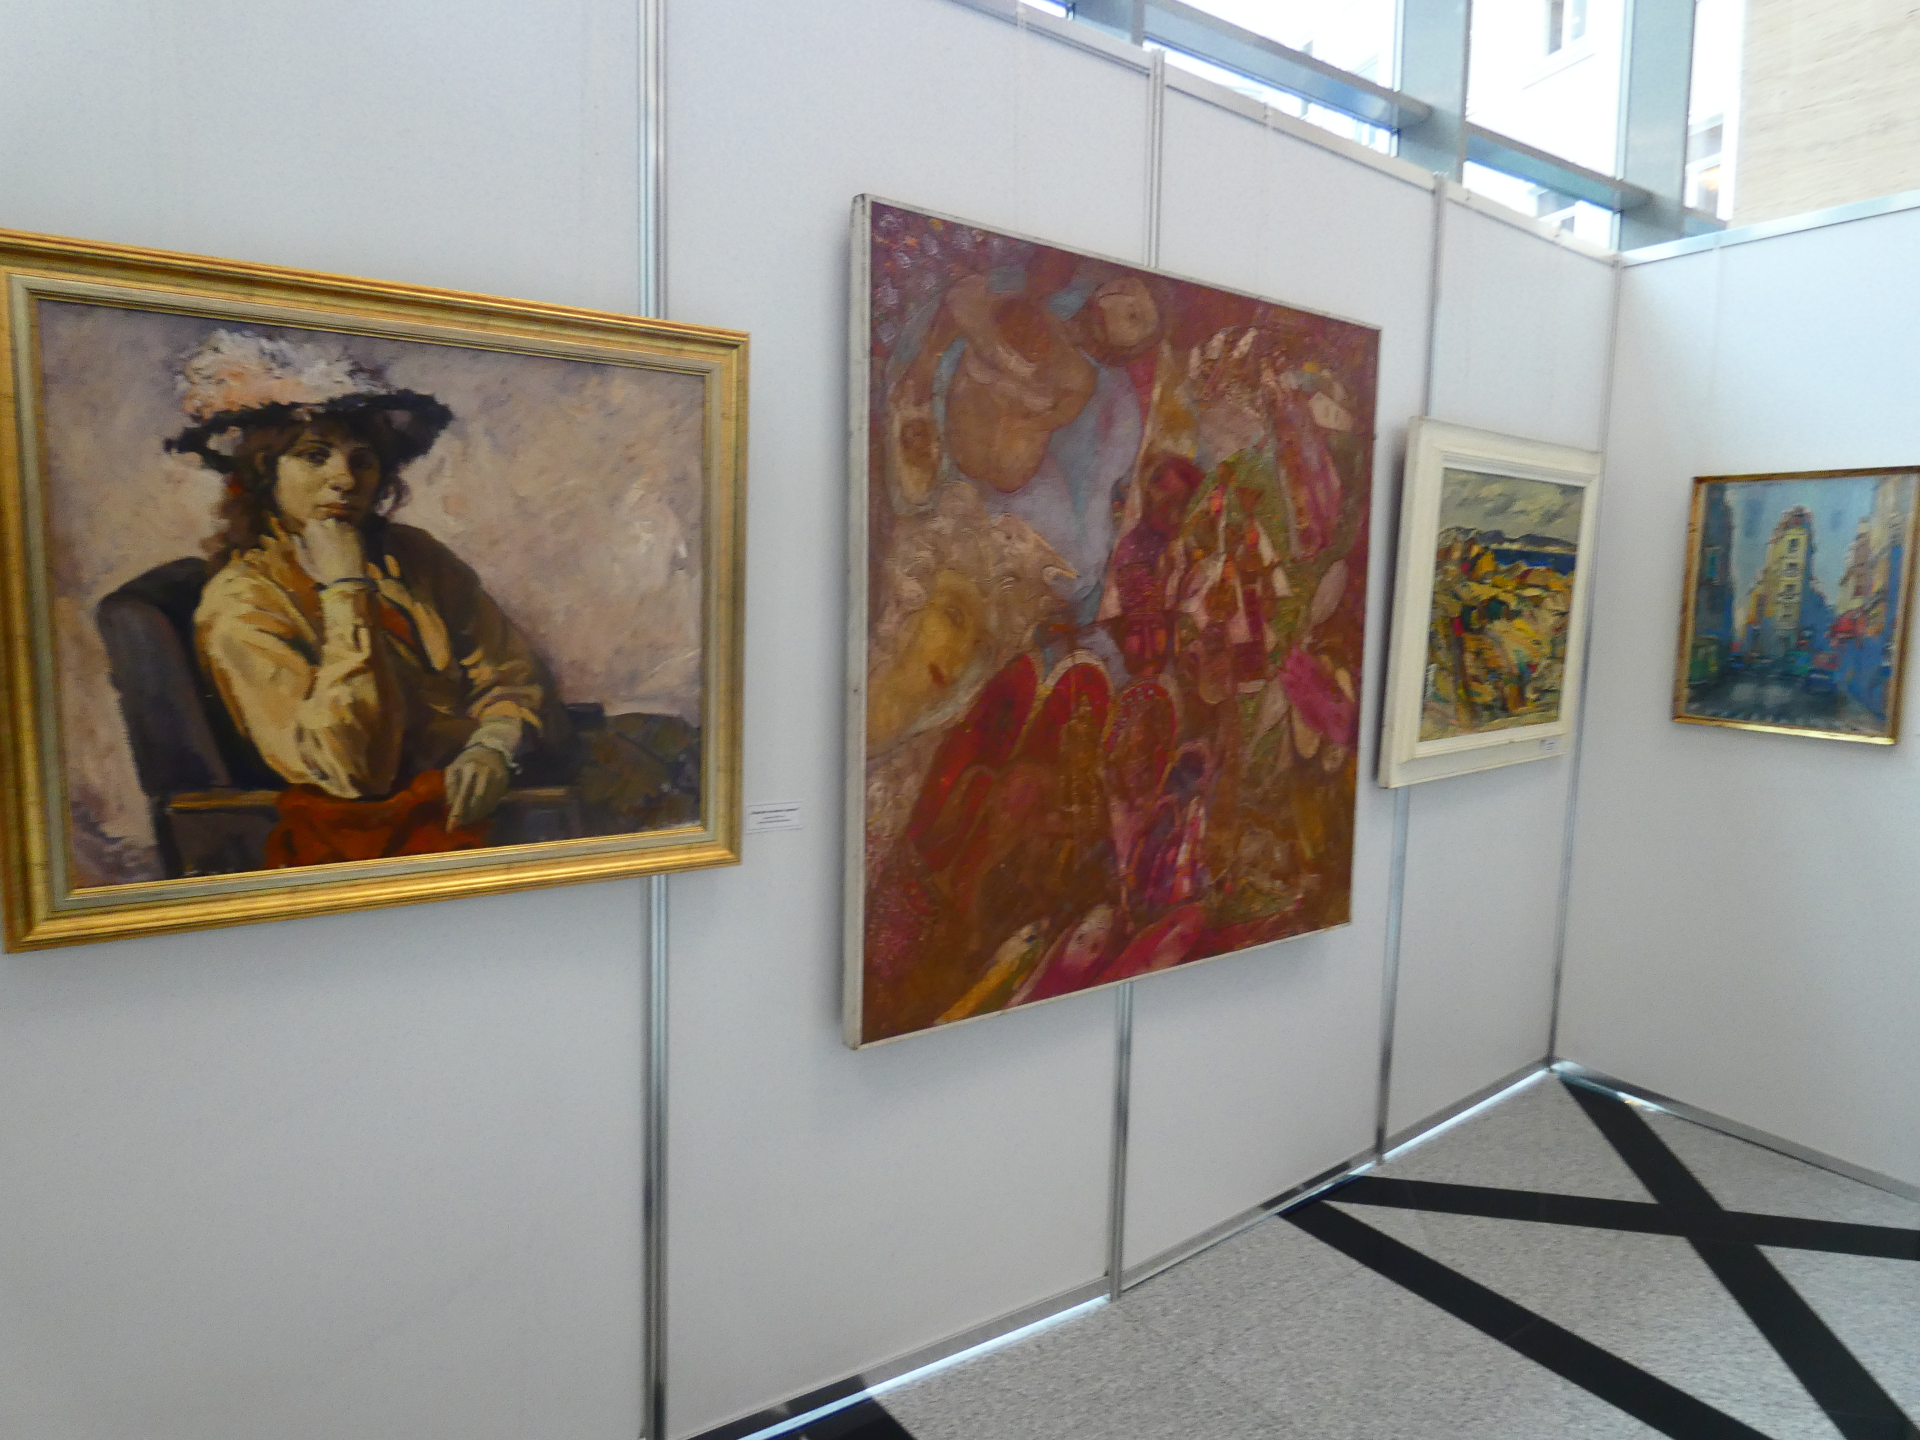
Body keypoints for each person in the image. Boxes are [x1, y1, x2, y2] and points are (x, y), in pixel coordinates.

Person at [168, 330, 572, 864]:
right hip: (393, 820)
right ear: (263, 473)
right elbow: (352, 769)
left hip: (501, 781)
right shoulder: (242, 602)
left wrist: (493, 744)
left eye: (362, 460)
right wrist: (346, 591)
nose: (344, 479)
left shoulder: (414, 555)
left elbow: (508, 672)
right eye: (314, 457)